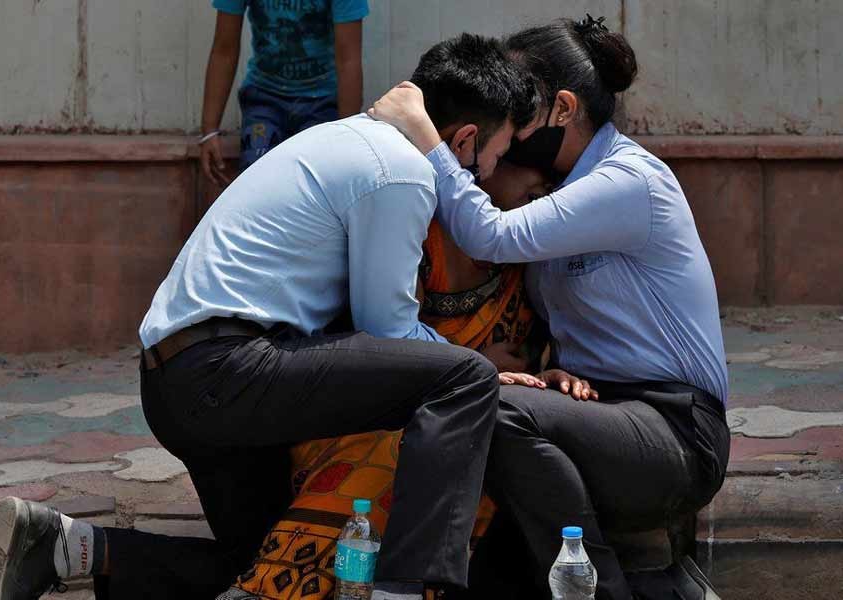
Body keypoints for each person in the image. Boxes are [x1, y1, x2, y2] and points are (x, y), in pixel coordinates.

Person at [0, 34, 539, 600]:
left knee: (272, 563)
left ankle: (66, 546)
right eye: (497, 153)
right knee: (466, 378)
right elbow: (386, 327)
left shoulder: (345, 139)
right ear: (464, 139)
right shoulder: (399, 172)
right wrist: (474, 358)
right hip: (227, 370)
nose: (489, 173)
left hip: (176, 379)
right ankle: (405, 588)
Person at [369, 15, 730, 600]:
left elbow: (489, 236)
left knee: (490, 405)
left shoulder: (626, 181)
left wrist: (428, 137)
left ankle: (596, 590)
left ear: (563, 109)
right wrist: (550, 368)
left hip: (676, 432)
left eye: (519, 104)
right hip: (600, 417)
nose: (505, 117)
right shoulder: (557, 187)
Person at [218, 163, 598, 600]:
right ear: (479, 170)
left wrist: (545, 377)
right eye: (527, 164)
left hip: (468, 419)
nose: (544, 188)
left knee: (484, 440)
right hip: (371, 416)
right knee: (400, 450)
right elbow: (379, 341)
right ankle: (274, 588)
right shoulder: (418, 232)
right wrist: (472, 363)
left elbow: (528, 357)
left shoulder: (529, 256)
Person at [199, 0, 369, 183]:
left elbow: (348, 59)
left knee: (315, 181)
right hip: (265, 97)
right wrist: (209, 131)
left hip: (321, 100)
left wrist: (347, 133)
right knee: (255, 179)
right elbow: (224, 49)